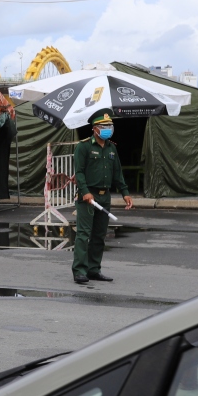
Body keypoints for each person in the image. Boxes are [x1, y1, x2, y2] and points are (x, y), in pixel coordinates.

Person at [72, 110, 132, 285]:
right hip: (88, 197)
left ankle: (94, 269)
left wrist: (125, 193)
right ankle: (79, 271)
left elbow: (117, 173)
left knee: (99, 235)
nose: (108, 129)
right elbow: (79, 172)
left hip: (104, 197)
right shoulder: (84, 147)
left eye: (110, 126)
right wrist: (85, 191)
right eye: (104, 126)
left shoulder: (111, 148)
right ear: (95, 128)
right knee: (83, 234)